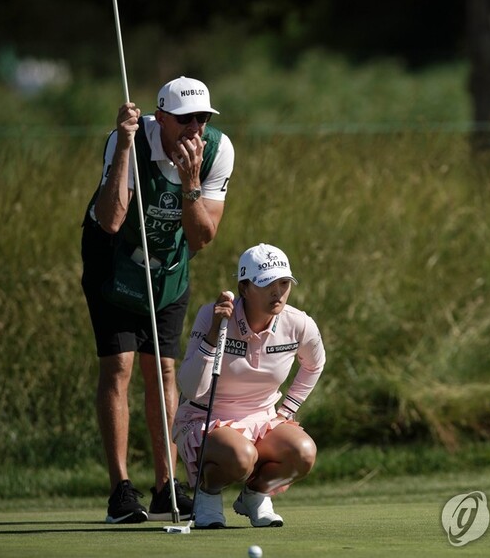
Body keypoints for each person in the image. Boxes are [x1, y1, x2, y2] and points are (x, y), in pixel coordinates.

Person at [81, 76, 235, 524]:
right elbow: (110, 220)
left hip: (168, 265)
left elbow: (202, 238)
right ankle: (120, 492)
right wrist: (126, 149)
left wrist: (190, 183)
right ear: (161, 118)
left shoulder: (218, 151)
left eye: (202, 118)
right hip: (113, 260)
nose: (195, 128)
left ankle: (168, 486)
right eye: (185, 119)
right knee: (120, 365)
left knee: (164, 368)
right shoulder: (127, 138)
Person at [173, 243, 326, 528]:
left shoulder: (298, 323)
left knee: (304, 452)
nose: (277, 292)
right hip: (204, 418)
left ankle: (255, 496)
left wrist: (288, 409)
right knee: (242, 456)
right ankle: (207, 494)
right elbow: (192, 388)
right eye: (267, 284)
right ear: (244, 288)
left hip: (263, 419)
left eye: (283, 283)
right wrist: (213, 334)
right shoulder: (213, 315)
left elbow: (315, 364)